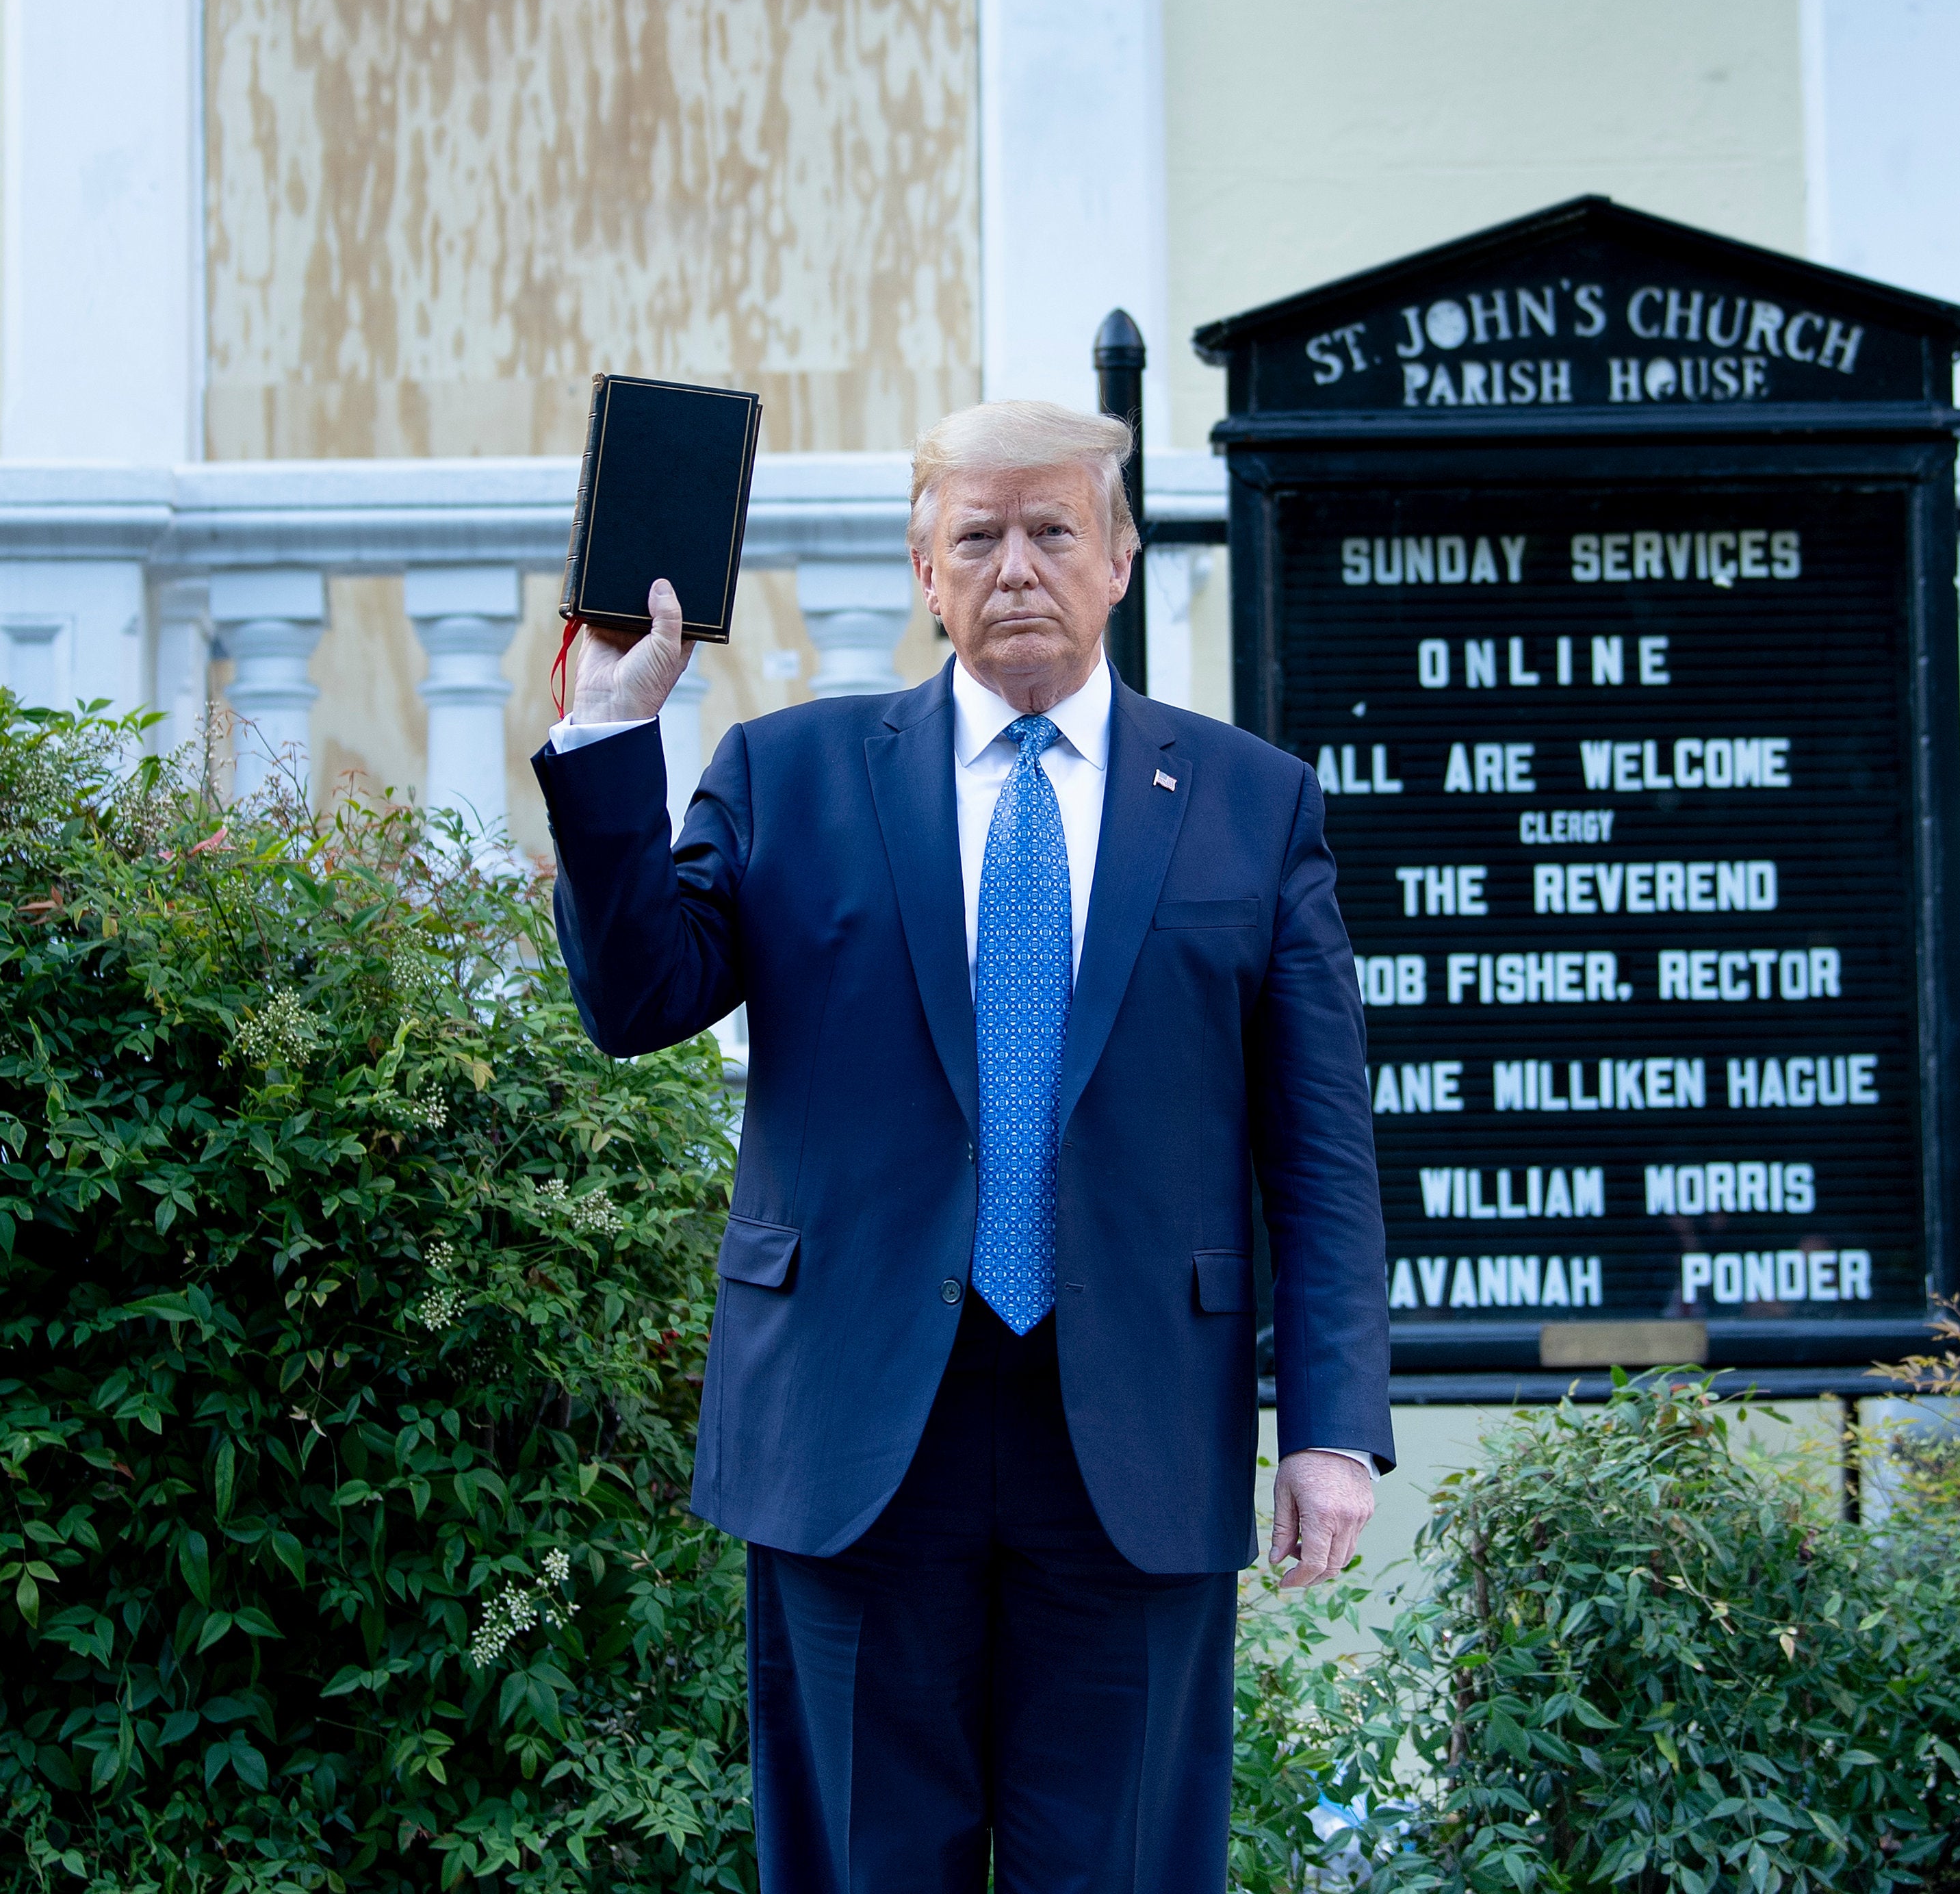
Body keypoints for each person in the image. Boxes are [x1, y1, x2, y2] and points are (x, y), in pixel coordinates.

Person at [532, 398, 1393, 1893]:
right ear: (925, 571)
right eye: (976, 535)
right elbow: (636, 1001)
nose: (1018, 567)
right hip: (855, 1433)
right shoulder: (788, 777)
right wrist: (614, 737)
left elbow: (1319, 1151)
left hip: (1131, 1434)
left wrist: (1326, 1424)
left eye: (1055, 529)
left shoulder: (1255, 806)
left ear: (1120, 557)